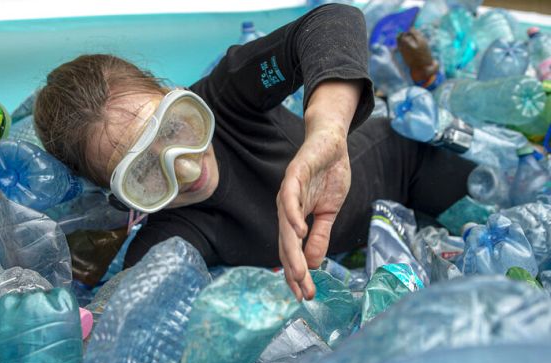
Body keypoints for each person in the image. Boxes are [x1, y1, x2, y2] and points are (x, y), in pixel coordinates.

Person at [33, 4, 475, 301]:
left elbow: (333, 21)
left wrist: (327, 133)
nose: (186, 167)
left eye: (173, 127)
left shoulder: (226, 96)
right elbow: (132, 308)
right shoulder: (171, 230)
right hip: (367, 254)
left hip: (405, 163)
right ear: (122, 196)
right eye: (145, 170)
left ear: (177, 94)